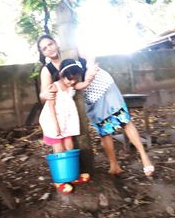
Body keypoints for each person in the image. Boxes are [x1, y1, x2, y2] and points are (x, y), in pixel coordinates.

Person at [37, 34, 155, 176]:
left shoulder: (72, 50)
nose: (49, 49)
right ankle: (114, 166)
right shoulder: (47, 69)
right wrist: (45, 95)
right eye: (44, 48)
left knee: (124, 120)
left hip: (102, 85)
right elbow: (43, 94)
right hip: (86, 97)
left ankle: (144, 157)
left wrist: (90, 67)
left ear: (56, 43)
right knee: (103, 130)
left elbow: (90, 55)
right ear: (43, 53)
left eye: (50, 44)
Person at [39, 58, 91, 194]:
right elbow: (50, 107)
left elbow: (79, 85)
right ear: (61, 75)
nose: (72, 81)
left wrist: (88, 80)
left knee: (70, 146)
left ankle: (72, 175)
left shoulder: (70, 86)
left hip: (66, 122)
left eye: (74, 79)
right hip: (53, 121)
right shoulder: (54, 87)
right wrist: (55, 125)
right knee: (59, 149)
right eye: (69, 79)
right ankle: (59, 180)